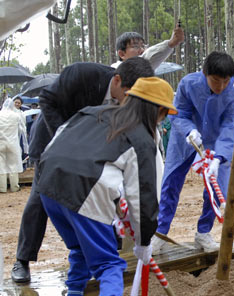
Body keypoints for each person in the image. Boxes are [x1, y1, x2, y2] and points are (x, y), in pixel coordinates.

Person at [11, 57, 155, 283]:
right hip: (53, 144)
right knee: (41, 197)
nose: (130, 102)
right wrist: (63, 136)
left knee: (107, 193)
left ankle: (101, 249)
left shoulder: (127, 101)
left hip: (93, 153)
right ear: (117, 80)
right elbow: (47, 99)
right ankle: (23, 259)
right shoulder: (83, 73)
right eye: (128, 94)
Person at [38, 77, 176, 295]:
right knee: (109, 264)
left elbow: (56, 140)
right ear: (159, 109)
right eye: (165, 113)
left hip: (47, 184)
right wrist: (144, 240)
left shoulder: (92, 112)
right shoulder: (141, 139)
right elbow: (144, 197)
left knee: (80, 248)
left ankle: (74, 292)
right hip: (86, 192)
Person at [151, 51, 234, 254]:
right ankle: (161, 233)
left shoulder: (233, 96)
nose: (220, 87)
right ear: (204, 73)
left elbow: (229, 128)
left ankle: (203, 233)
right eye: (215, 81)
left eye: (225, 81)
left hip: (215, 144)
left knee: (217, 187)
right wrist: (189, 129)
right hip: (184, 139)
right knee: (170, 184)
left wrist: (218, 158)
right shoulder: (188, 84)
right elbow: (178, 113)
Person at [111, 24, 184, 70]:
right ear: (122, 54)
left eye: (143, 46)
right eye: (136, 46)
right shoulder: (116, 69)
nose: (142, 50)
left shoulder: (144, 73)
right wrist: (170, 43)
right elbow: (145, 60)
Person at [0, 99, 28, 193]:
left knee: (1, 165)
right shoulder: (16, 116)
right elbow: (22, 131)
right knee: (13, 165)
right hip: (13, 143)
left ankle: (2, 188)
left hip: (0, 143)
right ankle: (14, 187)